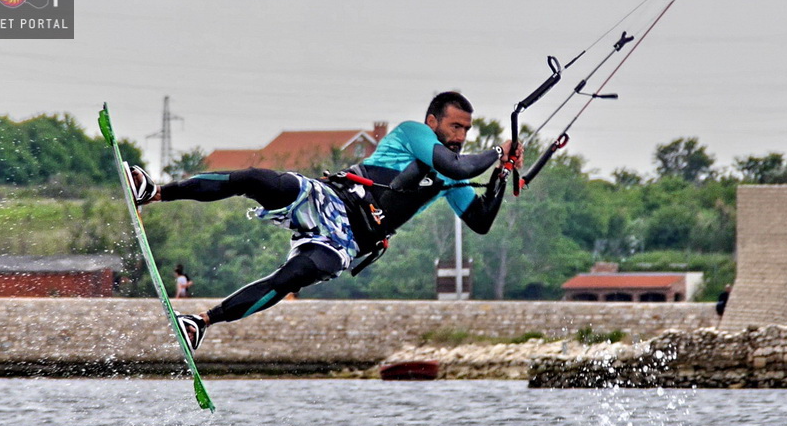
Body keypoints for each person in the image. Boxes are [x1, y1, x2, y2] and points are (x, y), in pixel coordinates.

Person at [129, 91, 523, 349]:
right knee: (254, 178)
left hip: (348, 242)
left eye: (467, 130)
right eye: (456, 126)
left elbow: (481, 219)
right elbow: (451, 162)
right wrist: (497, 151)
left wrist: (503, 174)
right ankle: (156, 192)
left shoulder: (447, 180)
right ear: (434, 121)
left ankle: (200, 323)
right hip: (330, 200)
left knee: (290, 278)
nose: (461, 135)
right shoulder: (414, 133)